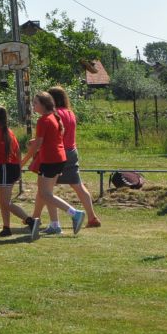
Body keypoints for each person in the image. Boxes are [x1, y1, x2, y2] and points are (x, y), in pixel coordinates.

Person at [23, 92, 85, 240]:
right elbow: (46, 140)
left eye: (36, 103)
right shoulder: (53, 117)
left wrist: (23, 161)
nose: (33, 105)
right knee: (46, 193)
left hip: (51, 160)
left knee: (45, 194)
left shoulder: (43, 120)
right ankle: (55, 225)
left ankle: (75, 213)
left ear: (44, 105)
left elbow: (38, 144)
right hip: (58, 158)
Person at [48, 86, 101, 228]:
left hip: (58, 153)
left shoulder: (55, 115)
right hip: (72, 151)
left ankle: (41, 220)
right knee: (79, 186)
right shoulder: (70, 113)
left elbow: (55, 136)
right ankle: (92, 216)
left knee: (46, 189)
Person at [0, 105, 31, 236]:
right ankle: (6, 228)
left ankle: (30, 221)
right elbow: (18, 151)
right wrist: (18, 168)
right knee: (1, 198)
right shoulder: (9, 131)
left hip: (5, 168)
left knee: (4, 201)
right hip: (12, 168)